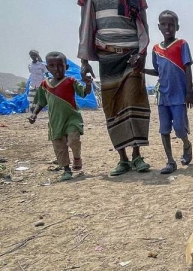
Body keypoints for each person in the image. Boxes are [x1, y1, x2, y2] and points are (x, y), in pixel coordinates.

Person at [78, 0, 152, 176]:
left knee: (135, 102)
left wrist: (142, 55)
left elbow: (144, 24)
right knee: (112, 107)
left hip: (132, 55)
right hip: (107, 56)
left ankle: (137, 155)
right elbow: (85, 25)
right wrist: (84, 62)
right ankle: (123, 158)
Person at [143, 10, 193, 174]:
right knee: (164, 129)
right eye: (164, 24)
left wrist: (189, 92)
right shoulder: (156, 49)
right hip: (162, 96)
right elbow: (158, 71)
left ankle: (186, 144)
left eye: (171, 24)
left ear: (177, 27)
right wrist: (142, 69)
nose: (168, 27)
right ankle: (170, 161)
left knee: (179, 127)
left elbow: (187, 68)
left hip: (179, 95)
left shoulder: (182, 44)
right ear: (159, 26)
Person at [27, 52, 92, 181]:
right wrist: (34, 114)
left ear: (66, 67)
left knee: (74, 139)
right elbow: (41, 101)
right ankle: (66, 170)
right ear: (47, 68)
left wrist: (88, 84)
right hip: (55, 121)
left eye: (60, 66)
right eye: (52, 66)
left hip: (72, 117)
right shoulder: (45, 85)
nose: (56, 69)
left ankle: (77, 157)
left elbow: (84, 93)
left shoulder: (71, 81)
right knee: (59, 146)